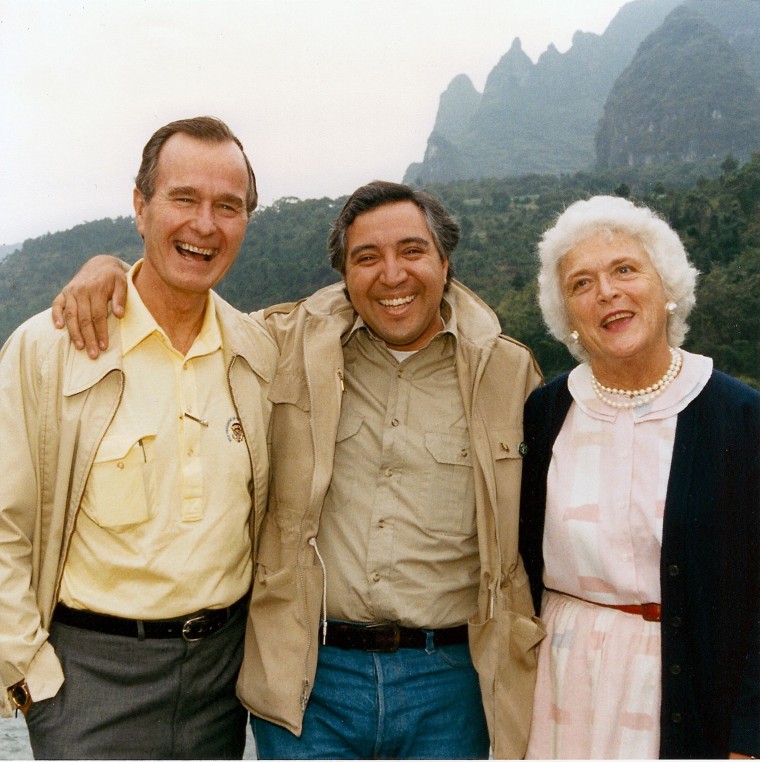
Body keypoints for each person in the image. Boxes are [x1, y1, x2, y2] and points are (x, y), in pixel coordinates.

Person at [51, 180, 545, 759]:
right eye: (366, 258)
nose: (391, 275)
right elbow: (187, 310)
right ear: (343, 273)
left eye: (411, 251)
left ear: (444, 261)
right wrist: (109, 268)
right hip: (311, 681)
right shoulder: (280, 345)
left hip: (453, 681)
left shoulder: (511, 376)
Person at [0, 116, 278, 759]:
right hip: (87, 682)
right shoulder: (52, 348)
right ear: (140, 206)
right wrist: (28, 678)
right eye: (183, 199)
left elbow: (379, 303)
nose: (205, 225)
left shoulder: (260, 353)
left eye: (227, 207)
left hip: (221, 679)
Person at [518, 195, 759, 759]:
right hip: (558, 686)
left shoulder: (741, 417)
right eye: (581, 283)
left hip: (687, 691)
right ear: (567, 317)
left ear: (667, 284)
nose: (606, 292)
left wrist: (749, 737)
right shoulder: (546, 411)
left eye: (625, 269)